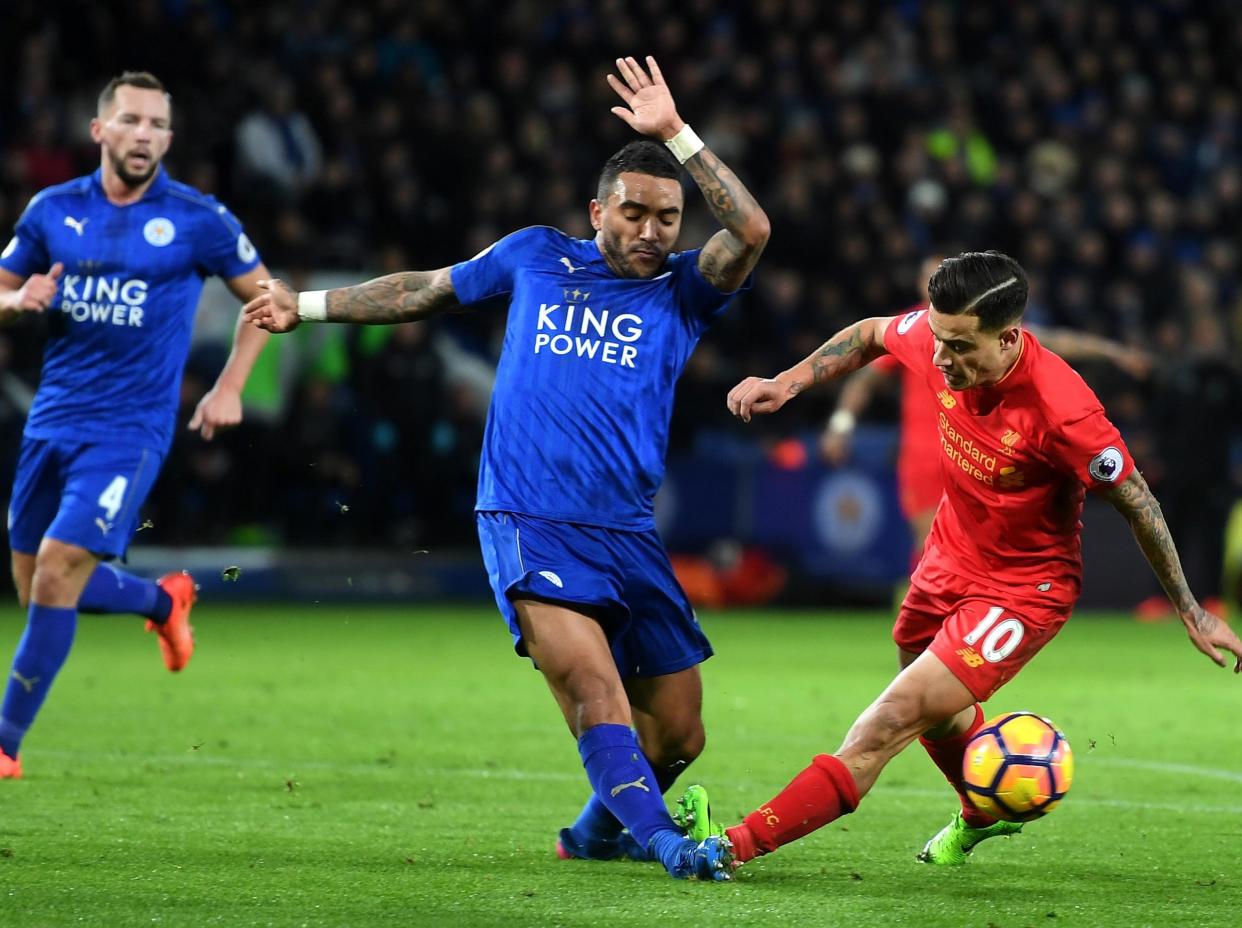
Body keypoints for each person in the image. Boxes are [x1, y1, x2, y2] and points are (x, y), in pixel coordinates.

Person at [243, 56, 769, 881]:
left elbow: (752, 232)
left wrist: (676, 133)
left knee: (679, 733)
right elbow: (425, 289)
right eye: (633, 213)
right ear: (598, 211)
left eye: (667, 219)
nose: (650, 232)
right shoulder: (534, 257)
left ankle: (595, 833)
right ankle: (668, 844)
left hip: (627, 528)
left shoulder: (682, 291)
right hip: (527, 517)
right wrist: (304, 307)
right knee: (596, 693)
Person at [680, 251, 1241, 871]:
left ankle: (730, 847)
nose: (941, 359)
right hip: (948, 556)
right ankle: (979, 813)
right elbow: (870, 334)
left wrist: (1190, 609)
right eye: (938, 339)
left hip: (1024, 588)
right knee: (934, 710)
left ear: (1009, 337)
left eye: (960, 347)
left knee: (889, 719)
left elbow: (1139, 503)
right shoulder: (937, 335)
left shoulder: (1064, 411)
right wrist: (788, 382)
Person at [0, 72, 272, 779]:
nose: (144, 134)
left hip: (130, 430)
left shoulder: (197, 218)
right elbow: (1, 291)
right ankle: (161, 599)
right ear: (100, 131)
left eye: (157, 124)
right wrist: (15, 302)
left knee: (60, 568)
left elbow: (267, 298)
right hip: (51, 421)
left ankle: (4, 745)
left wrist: (230, 385)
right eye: (131, 120)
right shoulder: (52, 211)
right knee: (34, 588)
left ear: (169, 139)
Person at [821, 254, 1153, 564]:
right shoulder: (917, 328)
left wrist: (1113, 352)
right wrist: (841, 423)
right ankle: (932, 619)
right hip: (924, 454)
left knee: (977, 550)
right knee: (929, 545)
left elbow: (1049, 340)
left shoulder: (982, 325)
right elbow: (864, 379)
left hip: (978, 451)